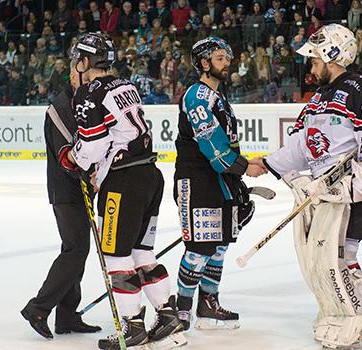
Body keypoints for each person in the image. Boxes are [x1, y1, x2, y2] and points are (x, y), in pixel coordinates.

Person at [252, 24, 362, 348]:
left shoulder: (358, 87)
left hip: (354, 191)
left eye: (314, 59)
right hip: (326, 192)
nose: (311, 66)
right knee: (322, 258)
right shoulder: (319, 97)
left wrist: (357, 186)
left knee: (341, 256)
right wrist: (268, 164)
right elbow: (302, 145)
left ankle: (354, 324)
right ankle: (335, 313)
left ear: (331, 56)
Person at [60, 32, 186, 350]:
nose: (75, 66)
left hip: (123, 182)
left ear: (86, 61)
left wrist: (72, 157)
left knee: (116, 257)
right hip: (150, 176)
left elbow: (92, 145)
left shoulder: (89, 93)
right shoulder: (125, 85)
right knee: (143, 253)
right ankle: (168, 314)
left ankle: (132, 327)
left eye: (77, 60)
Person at [173, 36, 266, 331]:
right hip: (197, 180)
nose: (227, 63)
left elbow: (227, 146)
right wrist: (243, 168)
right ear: (204, 63)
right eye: (220, 58)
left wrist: (238, 175)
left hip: (220, 179)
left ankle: (208, 304)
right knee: (199, 249)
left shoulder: (219, 98)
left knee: (219, 246)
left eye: (227, 57)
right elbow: (213, 146)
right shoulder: (196, 96)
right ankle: (183, 310)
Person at [21, 58, 101, 340]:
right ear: (73, 75)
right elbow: (68, 154)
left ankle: (67, 315)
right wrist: (89, 173)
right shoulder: (60, 107)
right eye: (87, 76)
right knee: (75, 250)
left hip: (80, 188)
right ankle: (38, 308)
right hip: (66, 190)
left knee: (77, 248)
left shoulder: (84, 103)